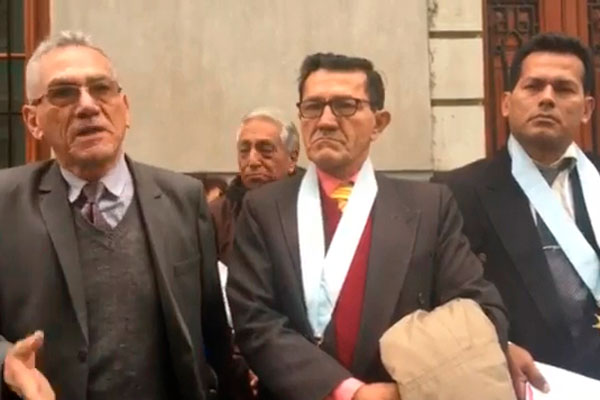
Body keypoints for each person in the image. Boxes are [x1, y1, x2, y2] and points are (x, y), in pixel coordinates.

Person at [226, 52, 510, 400]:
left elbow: (478, 308)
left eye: (345, 106)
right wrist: (348, 392)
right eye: (313, 107)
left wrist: (413, 387)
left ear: (379, 122)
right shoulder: (264, 209)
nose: (326, 121)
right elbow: (254, 319)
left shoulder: (428, 207)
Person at [0, 31, 235, 400]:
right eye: (64, 93)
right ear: (32, 120)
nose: (87, 106)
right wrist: (6, 362)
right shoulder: (6, 203)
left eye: (101, 89)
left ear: (125, 108)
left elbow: (213, 332)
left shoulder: (183, 199)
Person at [433, 32, 600, 394]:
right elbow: (442, 301)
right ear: (507, 103)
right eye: (533, 86)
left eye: (564, 89)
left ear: (587, 109)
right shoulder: (456, 192)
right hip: (525, 385)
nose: (547, 98)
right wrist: (496, 346)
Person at [210, 107, 299, 263]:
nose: (252, 161)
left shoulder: (314, 205)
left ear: (292, 158)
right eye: (244, 150)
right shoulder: (217, 216)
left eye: (266, 150)